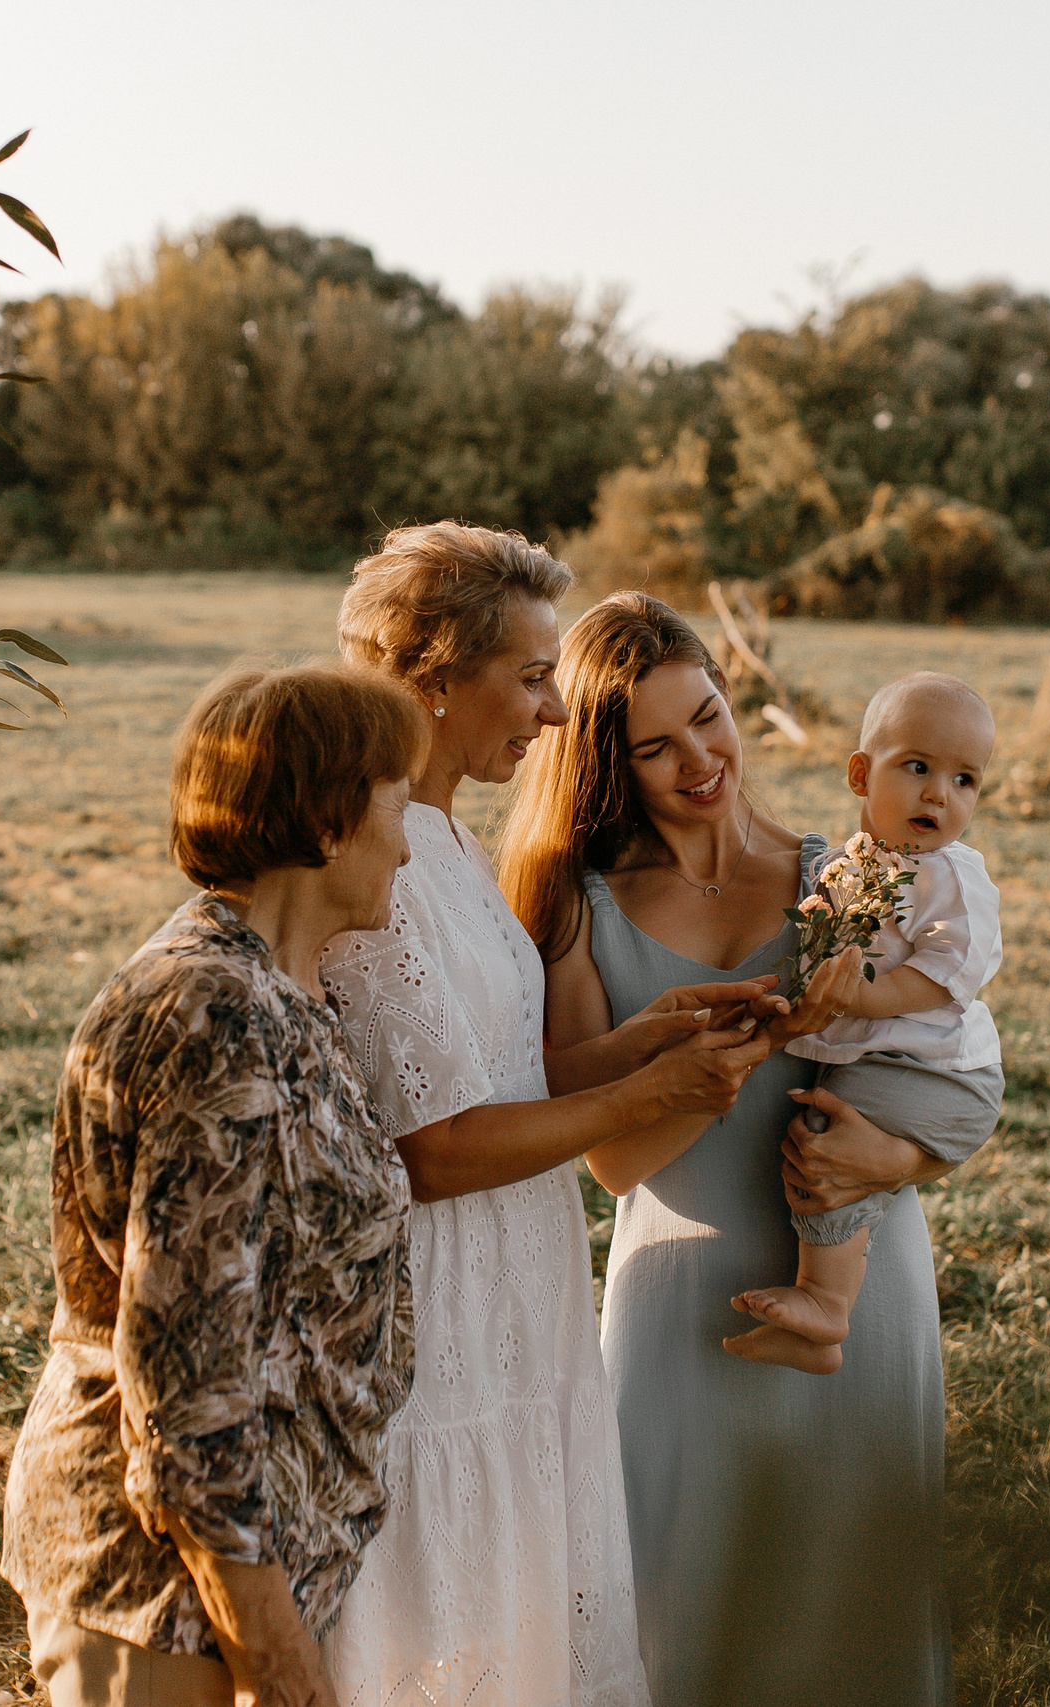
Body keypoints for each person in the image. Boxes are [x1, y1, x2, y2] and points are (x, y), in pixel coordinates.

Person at [319, 525, 840, 1707]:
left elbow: (506, 1077)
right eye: (530, 676)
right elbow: (429, 1148)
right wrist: (648, 1096)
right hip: (434, 1320)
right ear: (433, 679)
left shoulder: (446, 833)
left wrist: (648, 1039)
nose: (555, 713)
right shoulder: (372, 859)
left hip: (523, 1298)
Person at [502, 593, 990, 1706]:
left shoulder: (852, 870)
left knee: (854, 1626)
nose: (700, 763)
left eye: (709, 718)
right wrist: (714, 1065)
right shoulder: (579, 908)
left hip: (861, 1291)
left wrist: (904, 1163)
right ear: (604, 763)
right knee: (683, 1620)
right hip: (685, 1301)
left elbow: (958, 1064)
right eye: (656, 747)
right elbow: (616, 1167)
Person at [3, 663, 428, 1707]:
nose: (408, 844)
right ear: (330, 820)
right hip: (168, 1596)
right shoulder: (213, 1014)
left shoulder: (281, 988)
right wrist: (277, 1660)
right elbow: (187, 1379)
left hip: (245, 1576)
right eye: (397, 805)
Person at [736, 671, 1007, 1374]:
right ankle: (820, 1311)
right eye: (918, 767)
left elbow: (953, 966)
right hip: (896, 1067)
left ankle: (826, 1304)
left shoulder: (950, 874)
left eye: (964, 780)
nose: (938, 794)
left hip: (944, 1074)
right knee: (822, 1135)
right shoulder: (848, 864)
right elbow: (817, 941)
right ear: (862, 773)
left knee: (822, 1138)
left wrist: (867, 993)